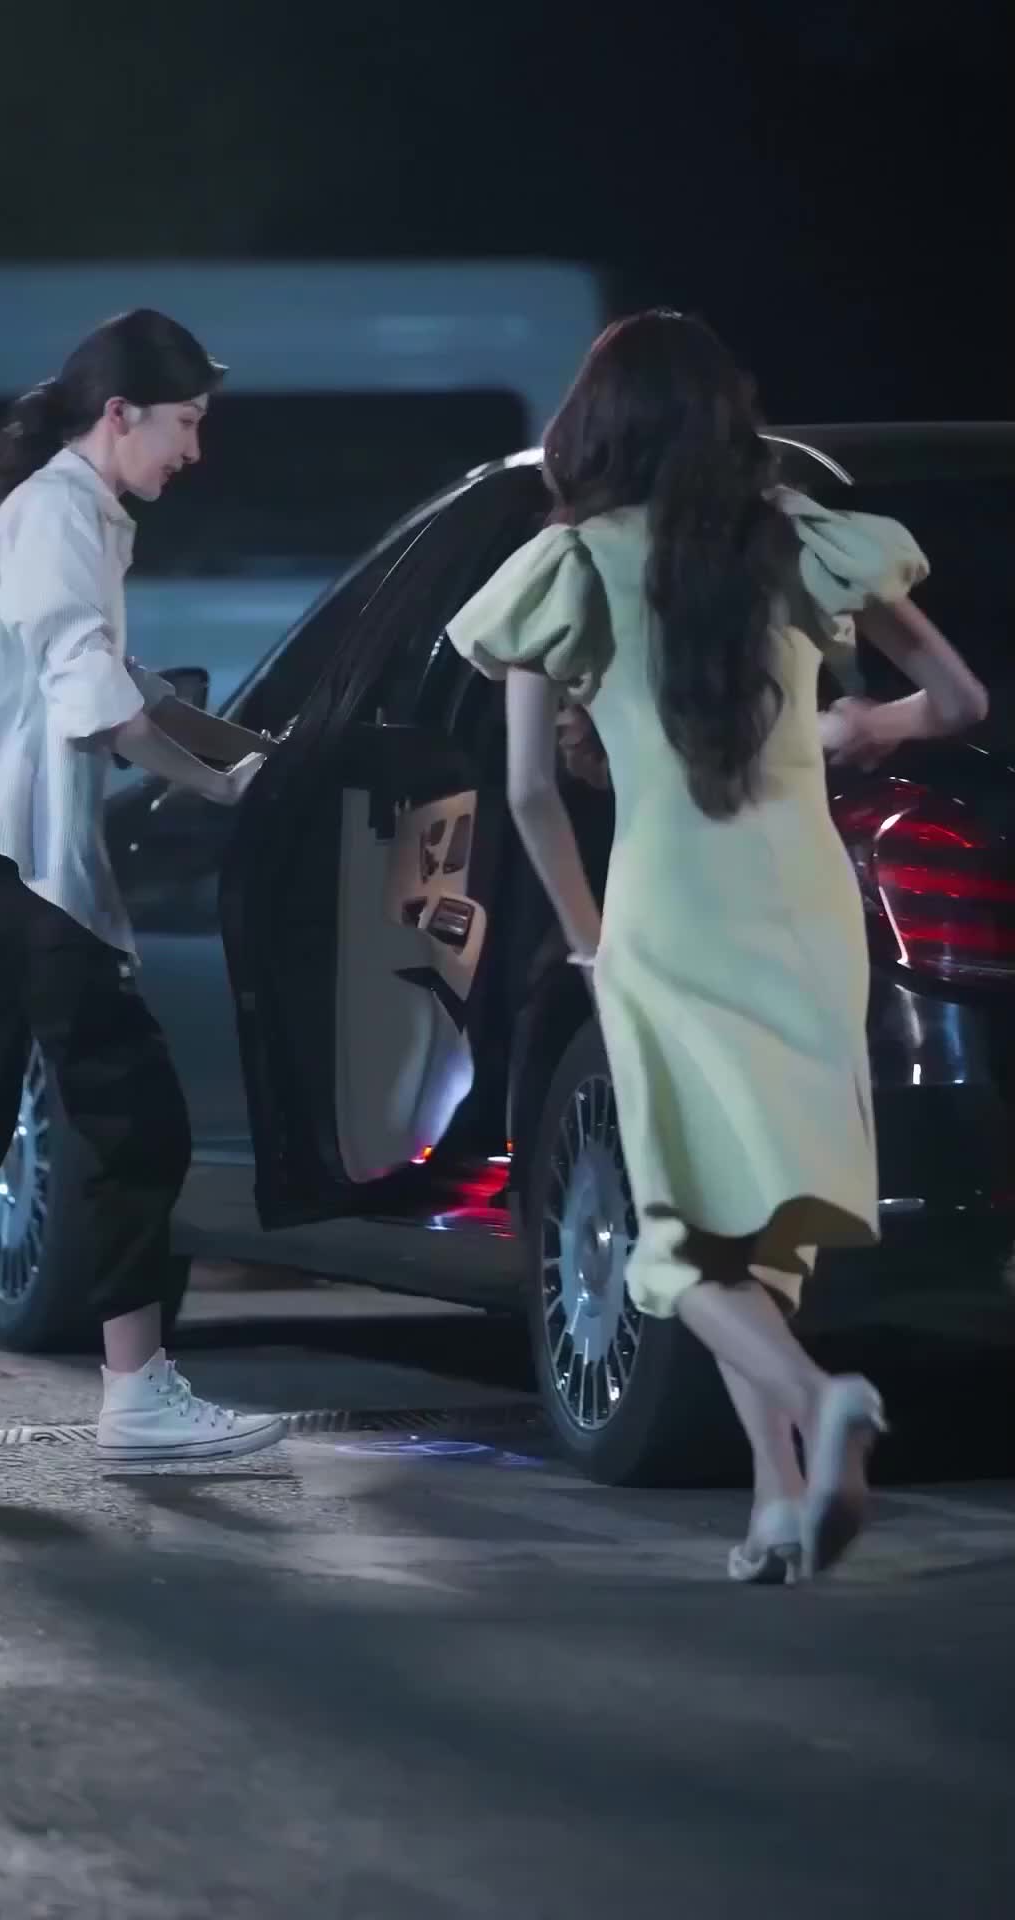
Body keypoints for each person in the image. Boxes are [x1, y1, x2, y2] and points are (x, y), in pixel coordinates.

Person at [447, 311, 987, 1580]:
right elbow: (962, 701)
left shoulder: (570, 566)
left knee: (678, 1243)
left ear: (597, 426)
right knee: (756, 1231)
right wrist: (861, 730)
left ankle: (818, 1399)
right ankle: (776, 1504)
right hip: (806, 901)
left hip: (668, 912)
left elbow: (527, 791)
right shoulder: (803, 540)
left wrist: (587, 942)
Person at [0, 307, 287, 1463]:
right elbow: (94, 697)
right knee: (135, 1119)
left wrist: (243, 747)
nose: (195, 449)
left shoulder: (60, 515)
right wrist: (221, 785)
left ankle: (139, 1393)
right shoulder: (60, 517)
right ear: (120, 414)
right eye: (185, 423)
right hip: (22, 862)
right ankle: (137, 1399)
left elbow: (122, 681)